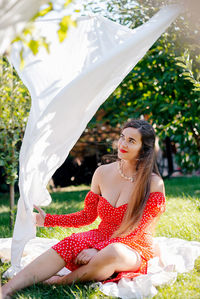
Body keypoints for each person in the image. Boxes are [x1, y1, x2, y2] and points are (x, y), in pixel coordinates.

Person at [2, 119, 165, 298]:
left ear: (144, 148)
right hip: (102, 234)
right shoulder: (102, 173)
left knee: (112, 252)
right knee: (70, 242)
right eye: (122, 137)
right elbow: (87, 216)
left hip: (134, 245)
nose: (122, 144)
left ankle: (59, 281)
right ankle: (6, 289)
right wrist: (48, 220)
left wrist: (98, 249)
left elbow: (138, 230)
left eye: (131, 141)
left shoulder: (153, 183)